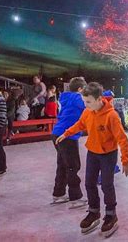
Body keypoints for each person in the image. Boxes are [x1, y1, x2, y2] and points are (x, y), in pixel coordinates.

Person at [55, 82, 128, 238]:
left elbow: (123, 140)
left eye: (88, 102)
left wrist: (125, 161)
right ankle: (94, 212)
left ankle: (111, 214)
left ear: (99, 99)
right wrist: (66, 133)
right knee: (89, 183)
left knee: (107, 185)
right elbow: (80, 124)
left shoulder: (112, 116)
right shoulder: (88, 112)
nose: (85, 105)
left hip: (108, 155)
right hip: (92, 153)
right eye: (84, 102)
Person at [50, 77, 88, 207]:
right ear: (80, 90)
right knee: (73, 166)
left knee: (62, 164)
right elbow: (88, 103)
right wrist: (104, 94)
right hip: (67, 136)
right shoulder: (77, 97)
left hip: (57, 133)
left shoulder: (65, 97)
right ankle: (75, 197)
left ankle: (58, 193)